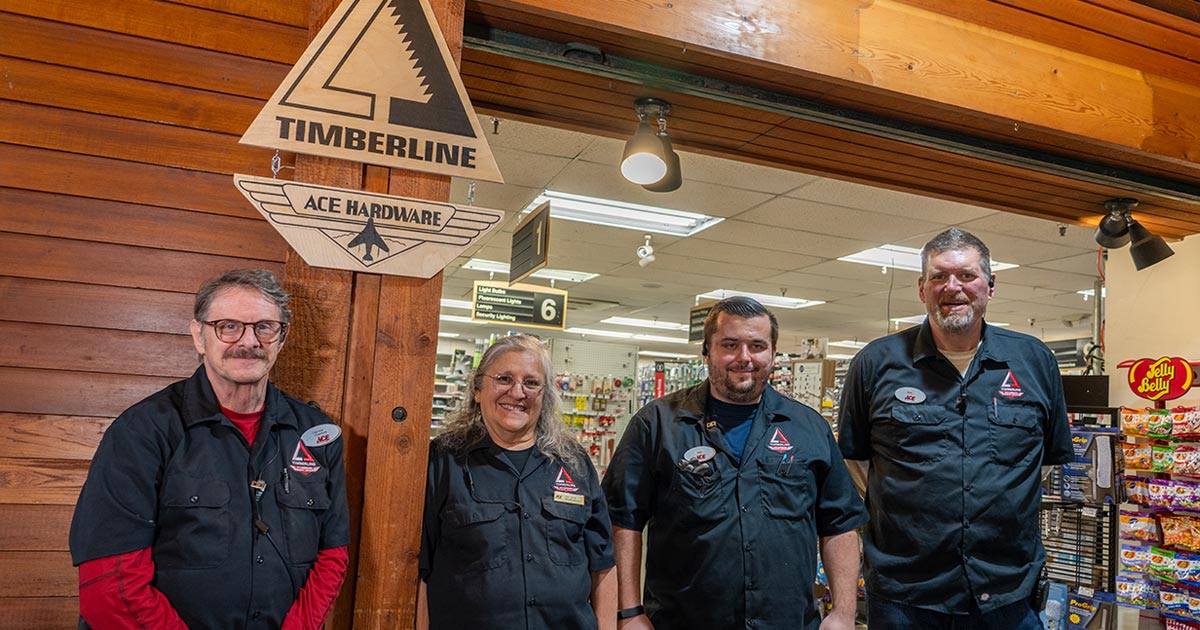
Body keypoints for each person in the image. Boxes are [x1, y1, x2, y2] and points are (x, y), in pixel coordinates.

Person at [69, 269, 350, 629]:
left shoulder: (315, 432)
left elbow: (332, 554)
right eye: (228, 326)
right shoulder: (142, 431)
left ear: (282, 338)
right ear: (199, 336)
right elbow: (109, 585)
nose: (248, 341)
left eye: (265, 327)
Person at [838, 228, 1074, 629]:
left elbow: (1041, 463)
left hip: (1009, 592)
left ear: (990, 286)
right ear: (921, 288)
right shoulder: (876, 363)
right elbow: (856, 464)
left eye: (967, 275)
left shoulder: (1034, 360)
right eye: (939, 276)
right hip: (906, 594)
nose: (953, 287)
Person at [603, 296, 867, 630]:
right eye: (730, 344)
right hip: (683, 621)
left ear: (772, 353)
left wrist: (843, 612)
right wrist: (628, 612)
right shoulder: (656, 424)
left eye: (757, 346)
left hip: (786, 622)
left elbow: (840, 523)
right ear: (707, 352)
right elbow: (622, 521)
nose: (744, 357)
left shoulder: (808, 428)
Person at [417, 334, 616, 630]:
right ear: (477, 389)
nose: (517, 392)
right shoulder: (443, 461)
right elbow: (421, 569)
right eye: (504, 378)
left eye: (531, 382)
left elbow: (602, 565)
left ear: (545, 395)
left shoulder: (574, 463)